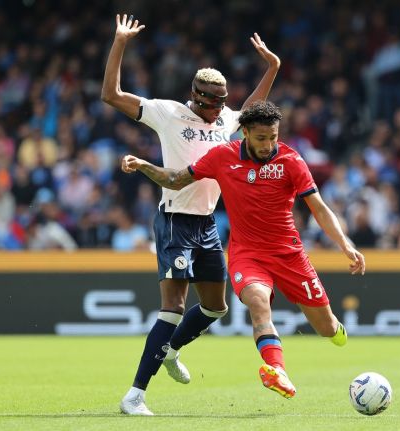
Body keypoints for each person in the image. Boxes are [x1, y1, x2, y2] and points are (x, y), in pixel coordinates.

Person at [121, 100, 365, 401]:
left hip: (290, 255)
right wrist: (144, 165)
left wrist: (346, 245)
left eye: (273, 137)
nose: (269, 145)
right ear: (245, 132)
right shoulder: (222, 156)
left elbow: (319, 208)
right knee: (259, 305)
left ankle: (333, 329)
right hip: (247, 255)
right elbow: (175, 179)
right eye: (261, 138)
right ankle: (278, 371)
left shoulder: (291, 161)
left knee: (328, 330)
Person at [101, 14, 281, 415]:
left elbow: (250, 110)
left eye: (222, 102)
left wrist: (272, 67)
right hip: (174, 219)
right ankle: (135, 395)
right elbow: (111, 95)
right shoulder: (167, 113)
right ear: (197, 97)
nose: (220, 110)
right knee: (173, 307)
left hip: (206, 224)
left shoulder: (226, 121)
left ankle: (171, 349)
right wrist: (120, 43)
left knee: (216, 307)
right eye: (213, 102)